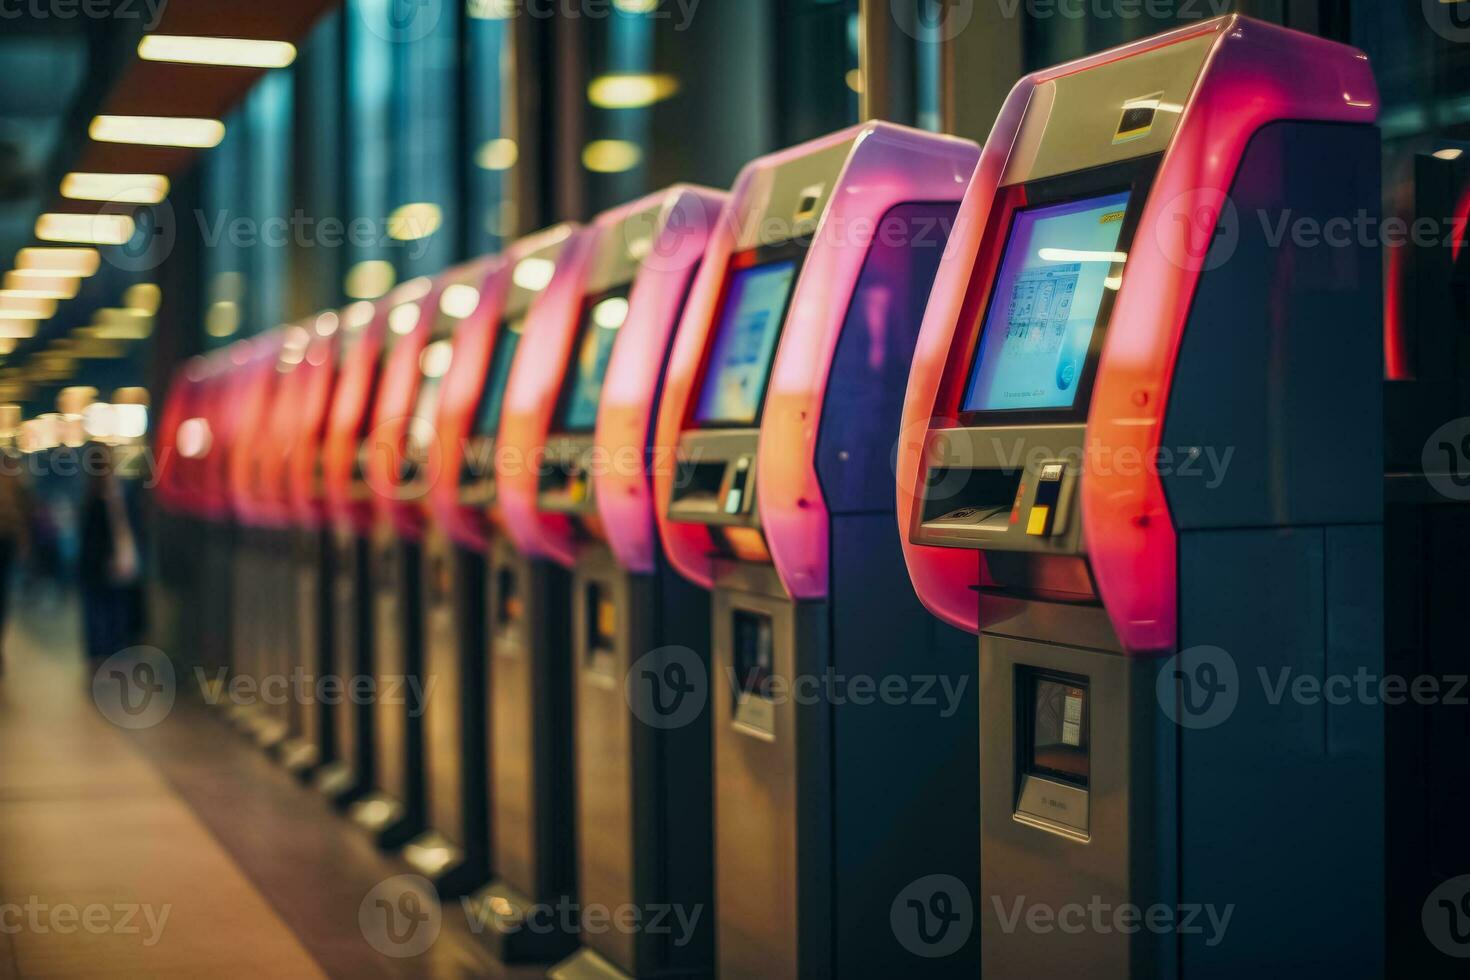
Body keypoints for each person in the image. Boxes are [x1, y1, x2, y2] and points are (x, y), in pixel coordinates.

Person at [80, 443, 143, 664]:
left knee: (106, 607)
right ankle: (107, 649)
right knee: (107, 607)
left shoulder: (98, 491)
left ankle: (104, 650)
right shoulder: (106, 492)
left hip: (104, 561)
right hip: (103, 561)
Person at [0, 456, 30, 671]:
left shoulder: (12, 471)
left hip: (7, 541)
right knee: (3, 594)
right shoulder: (12, 471)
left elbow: (23, 510)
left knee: (3, 594)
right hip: (8, 540)